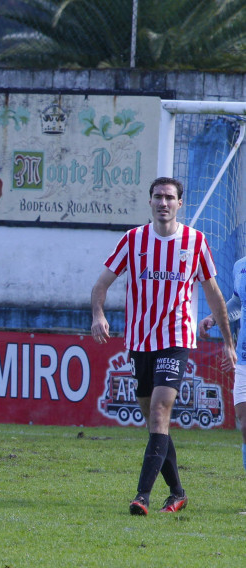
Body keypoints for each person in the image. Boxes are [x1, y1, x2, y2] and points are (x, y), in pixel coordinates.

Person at [91, 176, 236, 515]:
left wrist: (228, 342)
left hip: (175, 339)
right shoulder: (133, 240)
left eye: (170, 197)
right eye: (158, 197)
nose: (163, 203)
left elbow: (214, 295)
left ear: (179, 203)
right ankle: (178, 492)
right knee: (154, 421)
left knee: (159, 411)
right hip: (140, 341)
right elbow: (100, 285)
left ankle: (142, 496)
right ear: (150, 201)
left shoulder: (195, 241)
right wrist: (98, 315)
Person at [198, 256, 245, 478]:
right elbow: (237, 303)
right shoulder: (239, 265)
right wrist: (214, 318)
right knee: (244, 424)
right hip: (244, 356)